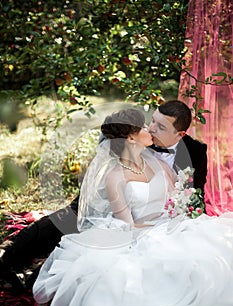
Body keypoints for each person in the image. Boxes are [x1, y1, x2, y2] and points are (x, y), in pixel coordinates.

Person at [33, 108, 233, 306]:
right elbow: (128, 225)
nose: (150, 129)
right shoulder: (115, 177)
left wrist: (178, 217)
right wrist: (159, 228)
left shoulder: (161, 164)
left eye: (158, 126)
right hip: (139, 233)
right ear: (130, 138)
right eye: (146, 127)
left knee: (213, 257)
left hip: (173, 226)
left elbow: (175, 202)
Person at [0, 100, 207, 293]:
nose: (152, 128)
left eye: (161, 127)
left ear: (179, 135)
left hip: (151, 221)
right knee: (62, 225)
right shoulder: (134, 135)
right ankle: (8, 256)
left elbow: (194, 196)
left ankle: (34, 274)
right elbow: (108, 156)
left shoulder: (195, 152)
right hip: (111, 200)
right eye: (152, 121)